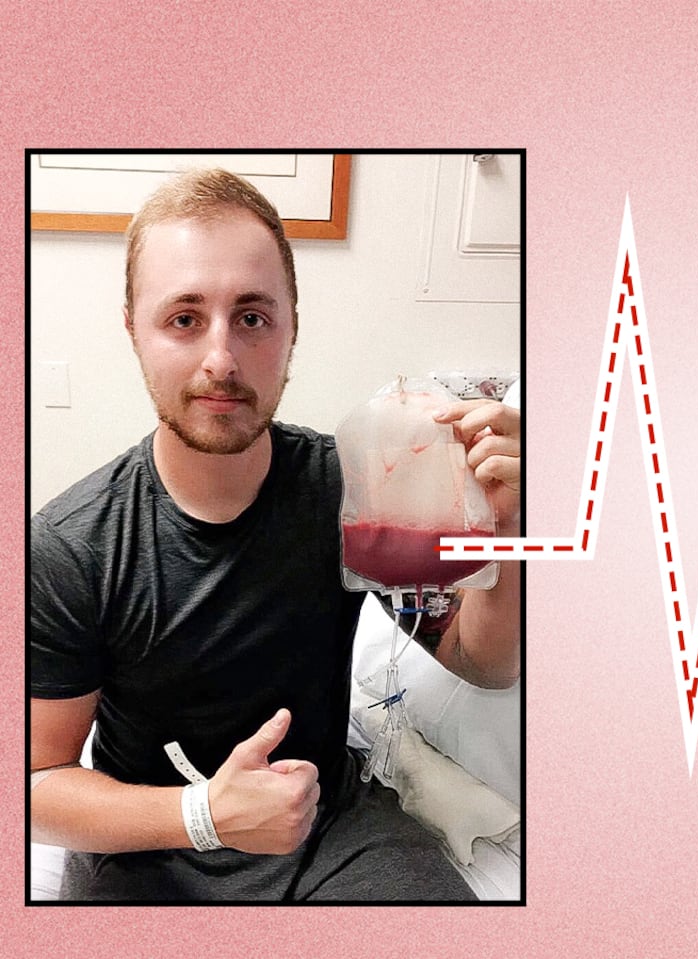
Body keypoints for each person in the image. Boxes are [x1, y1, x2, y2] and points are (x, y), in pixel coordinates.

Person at [28, 168, 522, 899]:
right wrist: (202, 814)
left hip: (331, 829)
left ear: (292, 326)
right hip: (147, 844)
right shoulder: (72, 546)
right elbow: (35, 783)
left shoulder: (353, 486)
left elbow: (486, 665)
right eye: (184, 318)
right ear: (133, 326)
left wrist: (504, 537)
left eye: (252, 316)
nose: (221, 359)